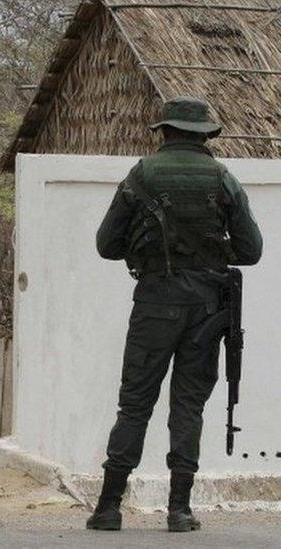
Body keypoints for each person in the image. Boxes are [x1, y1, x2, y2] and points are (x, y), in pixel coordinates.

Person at [89, 97, 262, 532]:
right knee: (188, 406)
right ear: (205, 135)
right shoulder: (224, 178)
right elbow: (251, 251)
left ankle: (108, 508)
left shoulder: (141, 175)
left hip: (153, 304)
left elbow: (107, 245)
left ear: (164, 131)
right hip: (206, 308)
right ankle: (180, 511)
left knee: (134, 405)